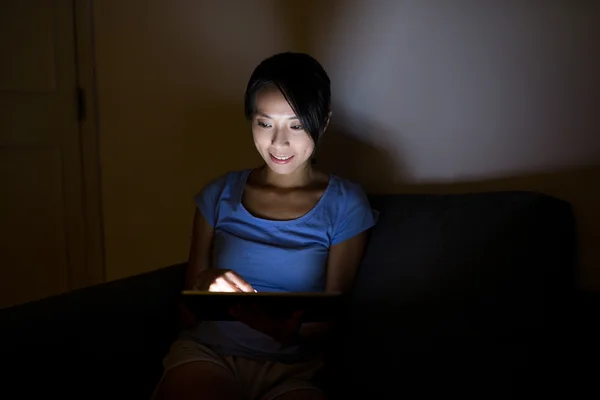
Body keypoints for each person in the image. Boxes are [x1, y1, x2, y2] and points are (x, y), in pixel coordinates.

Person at [153, 52, 378, 400]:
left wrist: (284, 330)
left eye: (297, 124)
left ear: (324, 122)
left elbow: (331, 321)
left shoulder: (345, 204)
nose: (279, 142)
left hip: (293, 370)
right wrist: (204, 281)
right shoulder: (218, 194)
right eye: (265, 123)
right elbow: (187, 314)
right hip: (210, 356)